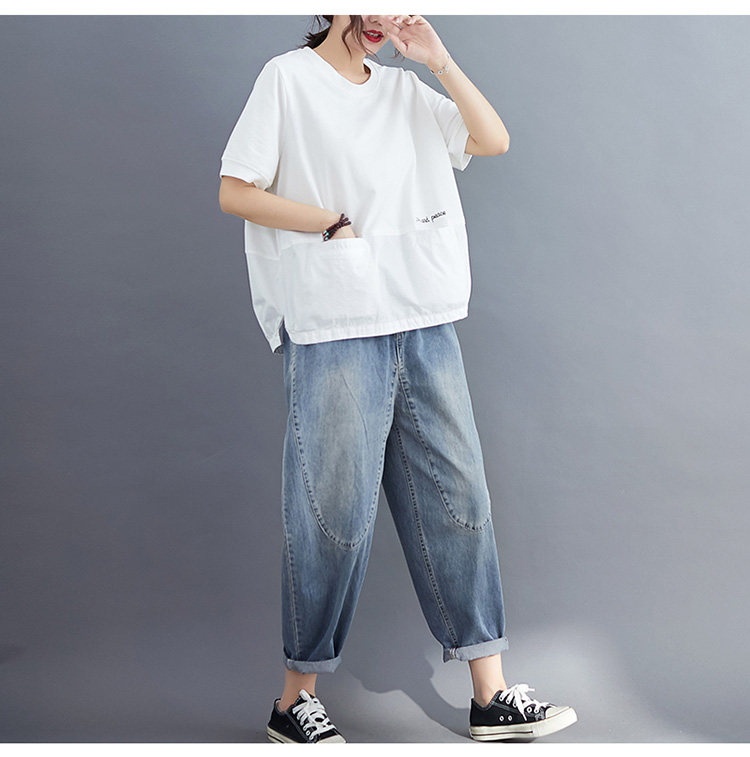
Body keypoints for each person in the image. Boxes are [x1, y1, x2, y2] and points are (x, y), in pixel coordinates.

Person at [218, 14, 577, 744]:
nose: (384, 17)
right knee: (333, 516)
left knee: (458, 499)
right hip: (335, 322)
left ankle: (489, 695)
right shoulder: (287, 80)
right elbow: (235, 189)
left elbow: (492, 139)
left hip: (422, 315)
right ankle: (293, 700)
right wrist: (328, 222)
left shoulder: (406, 90)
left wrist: (438, 59)